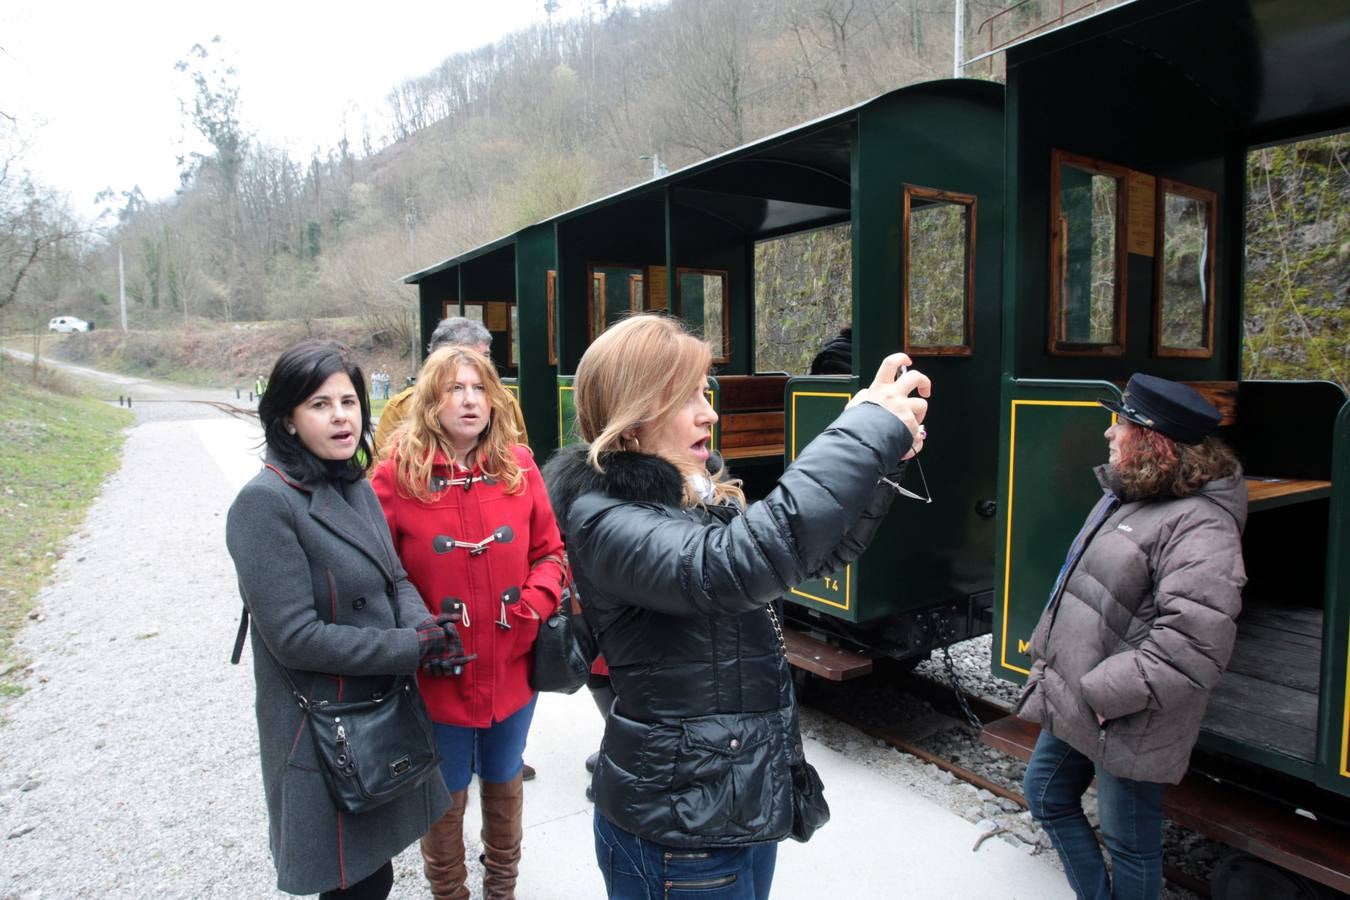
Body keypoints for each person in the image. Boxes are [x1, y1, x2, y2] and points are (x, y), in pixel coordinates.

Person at [541, 314, 929, 899]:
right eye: (685, 397)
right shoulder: (608, 519)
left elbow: (811, 557)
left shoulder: (690, 498)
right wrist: (864, 431)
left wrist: (877, 464)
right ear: (632, 417)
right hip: (679, 832)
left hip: (733, 804)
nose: (709, 412)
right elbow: (734, 567)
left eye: (705, 391)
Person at [225, 339, 459, 899]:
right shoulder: (264, 504)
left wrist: (428, 630)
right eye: (320, 405)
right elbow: (295, 638)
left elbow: (394, 578)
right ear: (287, 418)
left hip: (375, 710)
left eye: (349, 402)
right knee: (347, 881)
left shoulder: (352, 482)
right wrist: (408, 649)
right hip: (321, 724)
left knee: (372, 871)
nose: (341, 417)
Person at [1017, 373, 1247, 900]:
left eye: (1120, 423)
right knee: (1046, 795)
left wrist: (1105, 693)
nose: (1109, 433)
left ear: (1153, 440)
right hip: (1082, 692)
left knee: (1130, 842)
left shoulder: (1201, 524)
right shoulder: (1128, 493)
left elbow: (1195, 642)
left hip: (1127, 709)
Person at [371, 346, 567, 900]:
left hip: (513, 661)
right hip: (439, 670)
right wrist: (415, 631)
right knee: (446, 788)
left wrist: (531, 606)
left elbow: (552, 553)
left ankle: (501, 889)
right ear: (431, 400)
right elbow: (378, 575)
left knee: (505, 776)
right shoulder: (395, 474)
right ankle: (450, 894)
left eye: (479, 388)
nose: (469, 400)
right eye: (455, 388)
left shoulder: (519, 465)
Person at [374, 317, 529, 454]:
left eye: (486, 356)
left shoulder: (505, 402)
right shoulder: (401, 407)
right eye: (469, 358)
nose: (483, 365)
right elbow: (380, 471)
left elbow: (520, 464)